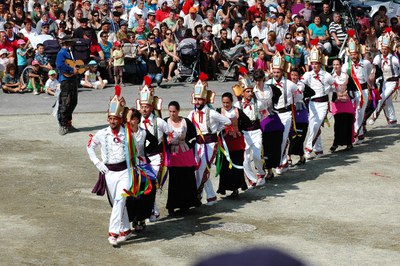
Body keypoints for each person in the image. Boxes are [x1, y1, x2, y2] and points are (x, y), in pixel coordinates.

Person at [87, 86, 132, 246]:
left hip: (125, 172)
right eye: (110, 118)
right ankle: (126, 229)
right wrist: (98, 162)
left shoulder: (127, 132)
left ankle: (113, 233)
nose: (113, 121)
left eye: (115, 118)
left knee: (120, 200)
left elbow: (139, 141)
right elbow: (90, 147)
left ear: (120, 119)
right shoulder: (102, 133)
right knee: (117, 203)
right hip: (109, 173)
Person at [188, 73, 231, 206]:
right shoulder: (192, 113)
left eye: (200, 99)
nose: (197, 102)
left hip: (211, 144)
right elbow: (187, 125)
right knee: (199, 170)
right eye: (196, 99)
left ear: (205, 100)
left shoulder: (212, 113)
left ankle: (201, 196)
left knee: (203, 169)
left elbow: (227, 121)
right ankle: (208, 196)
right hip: (198, 145)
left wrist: (217, 128)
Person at [138, 77, 176, 221]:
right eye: (142, 106)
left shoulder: (159, 122)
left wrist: (169, 142)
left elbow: (171, 132)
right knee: (145, 183)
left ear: (152, 107)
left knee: (152, 183)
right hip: (142, 157)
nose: (144, 109)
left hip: (156, 157)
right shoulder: (137, 121)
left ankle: (153, 211)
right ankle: (152, 211)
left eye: (147, 106)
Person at [266, 47, 298, 174]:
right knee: (274, 140)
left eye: (278, 72)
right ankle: (281, 161)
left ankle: (280, 163)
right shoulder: (268, 84)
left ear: (283, 72)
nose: (276, 75)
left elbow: (299, 95)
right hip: (273, 114)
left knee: (283, 139)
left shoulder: (290, 84)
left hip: (285, 113)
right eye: (274, 72)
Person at [165, 101, 201, 214]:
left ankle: (187, 203)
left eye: (174, 111)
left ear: (178, 111)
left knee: (187, 178)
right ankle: (172, 205)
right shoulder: (165, 122)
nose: (172, 114)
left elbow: (194, 135)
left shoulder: (185, 122)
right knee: (174, 180)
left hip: (185, 154)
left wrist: (189, 144)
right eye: (170, 111)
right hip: (173, 155)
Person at [233, 68, 268, 187]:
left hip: (256, 131)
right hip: (245, 133)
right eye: (247, 91)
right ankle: (251, 179)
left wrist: (258, 123)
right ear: (242, 92)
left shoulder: (258, 102)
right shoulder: (237, 105)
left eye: (250, 91)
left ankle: (261, 173)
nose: (249, 93)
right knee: (246, 158)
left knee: (257, 155)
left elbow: (265, 114)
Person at [301, 40, 334, 158]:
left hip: (323, 103)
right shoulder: (308, 74)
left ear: (320, 63)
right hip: (312, 103)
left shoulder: (326, 75)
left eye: (317, 63)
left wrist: (333, 90)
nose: (314, 66)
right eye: (313, 63)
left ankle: (308, 147)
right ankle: (319, 149)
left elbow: (334, 85)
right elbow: (301, 83)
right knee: (313, 125)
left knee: (317, 124)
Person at [216, 92, 249, 197]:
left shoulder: (237, 111)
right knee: (224, 167)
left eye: (228, 102)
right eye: (224, 103)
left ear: (231, 102)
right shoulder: (218, 112)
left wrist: (239, 129)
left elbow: (247, 122)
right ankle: (223, 188)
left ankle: (235, 188)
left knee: (236, 165)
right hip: (224, 144)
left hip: (236, 143)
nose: (226, 105)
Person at [341, 30, 372, 144]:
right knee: (355, 112)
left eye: (355, 53)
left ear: (358, 53)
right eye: (352, 54)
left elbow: (368, 73)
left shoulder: (366, 63)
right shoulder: (346, 66)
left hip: (363, 90)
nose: (353, 56)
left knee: (361, 111)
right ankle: (358, 133)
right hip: (353, 91)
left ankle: (357, 132)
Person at [369, 32, 399, 126]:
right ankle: (392, 119)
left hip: (393, 81)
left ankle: (373, 116)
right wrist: (373, 72)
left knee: (382, 98)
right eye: (382, 49)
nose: (384, 51)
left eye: (385, 49)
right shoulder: (379, 57)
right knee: (387, 100)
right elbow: (373, 65)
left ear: (389, 49)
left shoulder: (393, 59)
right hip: (384, 82)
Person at [56, 36, 79, 135]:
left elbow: (73, 64)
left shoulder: (70, 52)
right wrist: (71, 70)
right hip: (65, 80)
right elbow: (60, 65)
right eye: (70, 42)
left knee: (73, 101)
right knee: (65, 102)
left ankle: (68, 123)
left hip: (72, 79)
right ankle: (62, 125)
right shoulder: (62, 53)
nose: (71, 44)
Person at [330, 58, 354, 152]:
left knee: (348, 122)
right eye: (334, 65)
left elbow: (353, 89)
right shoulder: (331, 77)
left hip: (347, 102)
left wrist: (347, 94)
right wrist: (337, 96)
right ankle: (336, 143)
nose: (335, 66)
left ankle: (349, 143)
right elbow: (330, 91)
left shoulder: (347, 76)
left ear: (341, 65)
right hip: (337, 103)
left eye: (337, 64)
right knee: (338, 124)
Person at [287, 68, 309, 166]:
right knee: (290, 135)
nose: (294, 77)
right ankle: (289, 157)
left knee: (300, 136)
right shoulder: (286, 84)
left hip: (300, 112)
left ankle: (301, 156)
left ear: (299, 76)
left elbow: (297, 93)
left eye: (295, 75)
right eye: (292, 75)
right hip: (290, 112)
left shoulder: (301, 85)